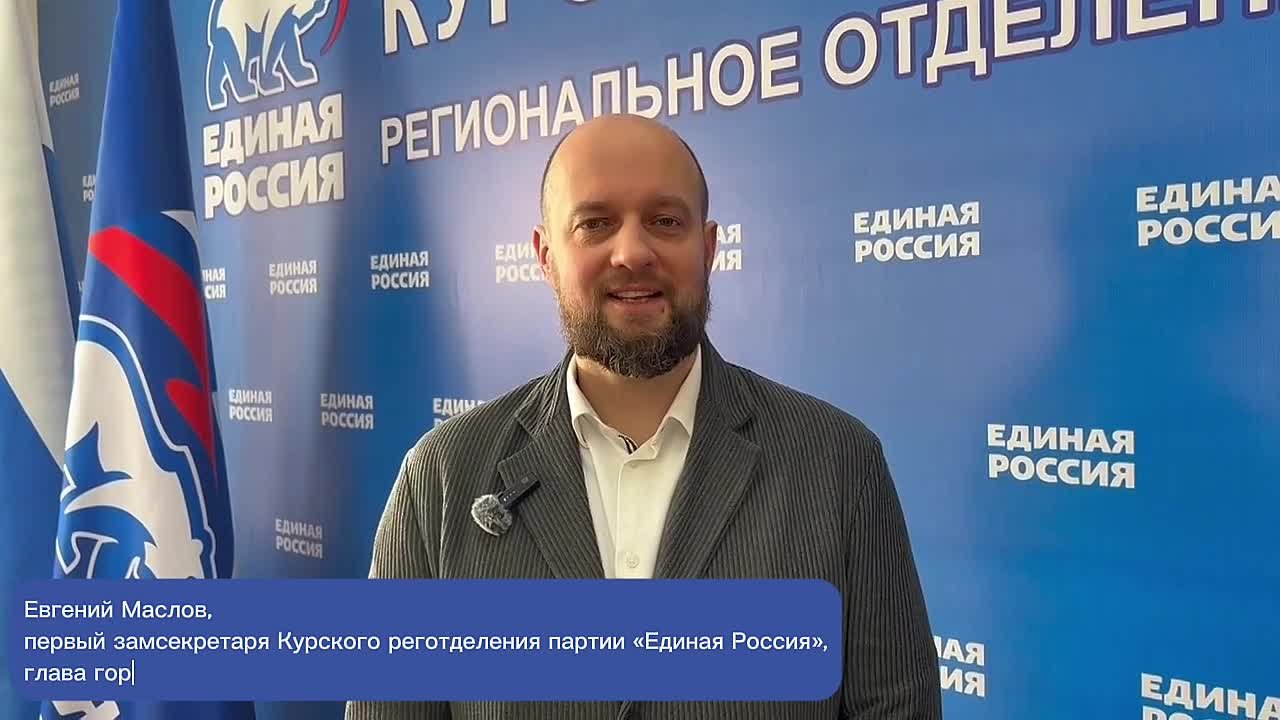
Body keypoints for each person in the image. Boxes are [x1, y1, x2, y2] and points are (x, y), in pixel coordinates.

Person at [346, 115, 942, 720]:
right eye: (595, 223)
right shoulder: (442, 477)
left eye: (664, 221)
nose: (632, 253)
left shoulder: (838, 463)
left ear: (708, 248)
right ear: (546, 256)